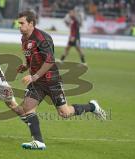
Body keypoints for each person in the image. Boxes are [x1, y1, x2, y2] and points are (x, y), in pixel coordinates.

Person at [16, 11, 106, 150]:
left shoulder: (42, 38)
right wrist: (26, 66)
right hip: (38, 82)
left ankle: (92, 107)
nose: (19, 26)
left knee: (64, 113)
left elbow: (50, 60)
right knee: (28, 107)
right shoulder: (24, 38)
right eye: (19, 23)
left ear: (31, 23)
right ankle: (38, 141)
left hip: (52, 80)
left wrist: (34, 76)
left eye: (22, 23)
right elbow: (31, 57)